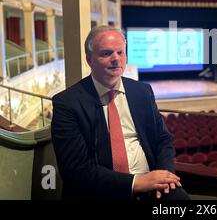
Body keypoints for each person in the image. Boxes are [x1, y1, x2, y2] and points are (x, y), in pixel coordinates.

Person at [51, 26, 190, 200]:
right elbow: (76, 170)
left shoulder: (142, 91)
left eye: (120, 52)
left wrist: (164, 177)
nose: (116, 59)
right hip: (101, 191)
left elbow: (163, 139)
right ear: (89, 59)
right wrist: (137, 182)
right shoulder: (67, 103)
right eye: (106, 53)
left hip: (151, 186)